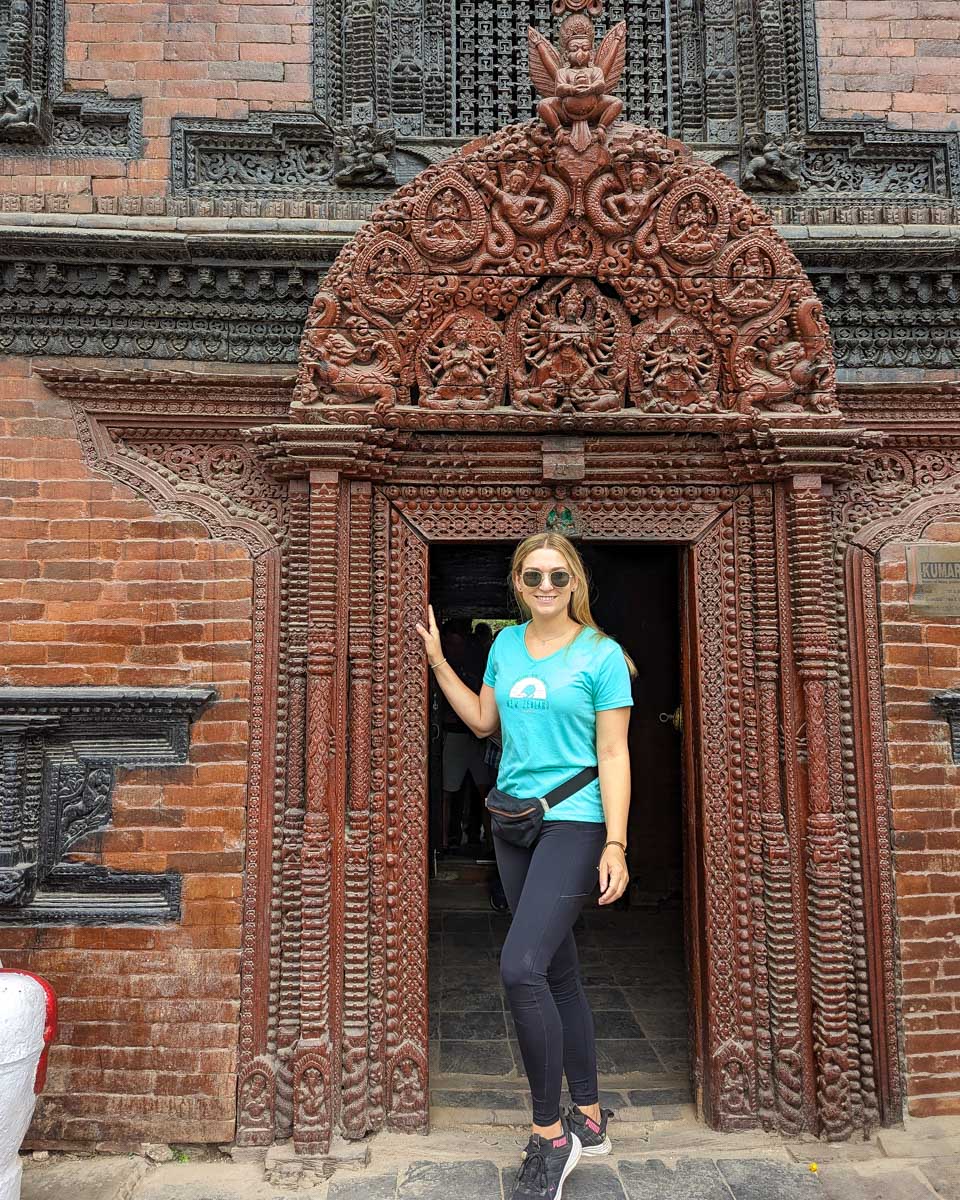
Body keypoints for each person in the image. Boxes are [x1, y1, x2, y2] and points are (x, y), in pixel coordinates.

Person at [417, 533, 634, 1200]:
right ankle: (590, 1117)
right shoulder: (506, 646)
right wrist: (437, 661)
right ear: (517, 582)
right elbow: (485, 722)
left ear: (575, 583)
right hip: (513, 820)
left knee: (520, 966)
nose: (545, 586)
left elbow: (614, 753)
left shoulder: (601, 656)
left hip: (575, 820)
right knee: (556, 970)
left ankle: (550, 1136)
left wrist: (616, 843)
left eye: (558, 576)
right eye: (534, 575)